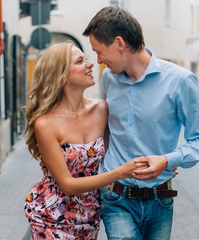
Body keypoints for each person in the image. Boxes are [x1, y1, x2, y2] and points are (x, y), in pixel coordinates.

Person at [83, 6, 199, 239]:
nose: (98, 60)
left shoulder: (181, 81)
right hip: (116, 197)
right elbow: (106, 130)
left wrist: (166, 160)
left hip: (160, 200)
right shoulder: (109, 79)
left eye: (99, 52)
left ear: (120, 44)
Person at [23, 42, 145, 240]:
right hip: (51, 217)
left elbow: (121, 147)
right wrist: (122, 172)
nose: (90, 64)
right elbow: (68, 185)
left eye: (86, 59)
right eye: (80, 61)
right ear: (61, 75)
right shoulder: (45, 123)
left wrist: (158, 161)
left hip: (88, 215)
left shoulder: (102, 109)